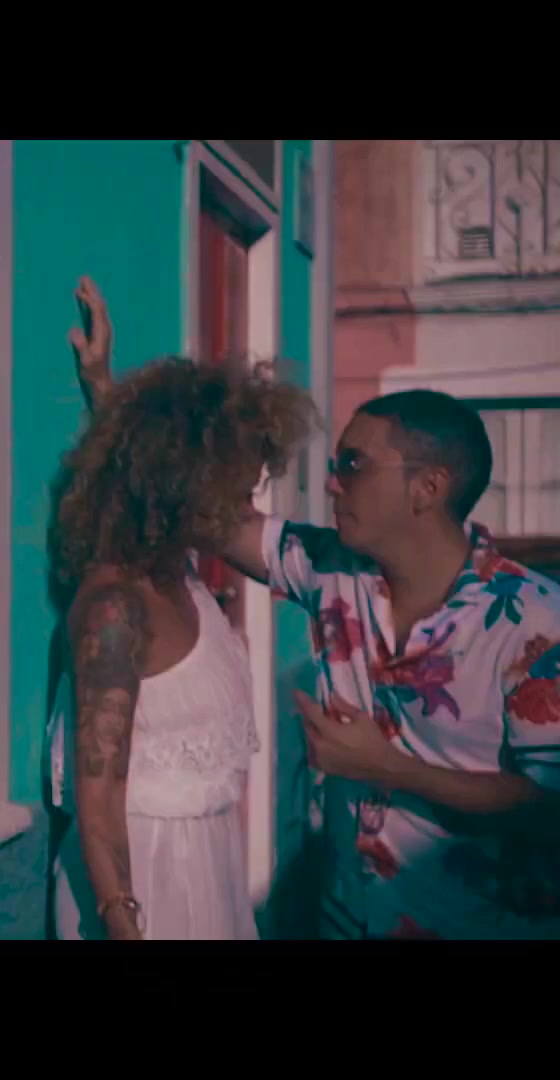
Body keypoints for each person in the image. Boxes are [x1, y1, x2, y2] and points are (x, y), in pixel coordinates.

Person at [72, 278, 560, 940]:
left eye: (353, 464)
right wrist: (108, 397)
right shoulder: (332, 569)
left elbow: (547, 805)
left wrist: (391, 769)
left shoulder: (536, 621)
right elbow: (193, 502)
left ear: (427, 487)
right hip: (343, 919)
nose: (331, 482)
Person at [47, 278, 316, 939]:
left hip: (208, 868)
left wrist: (104, 389)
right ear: (181, 485)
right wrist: (124, 921)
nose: (244, 504)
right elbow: (99, 797)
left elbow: (139, 464)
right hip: (144, 883)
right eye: (232, 486)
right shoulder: (115, 610)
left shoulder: (181, 571)